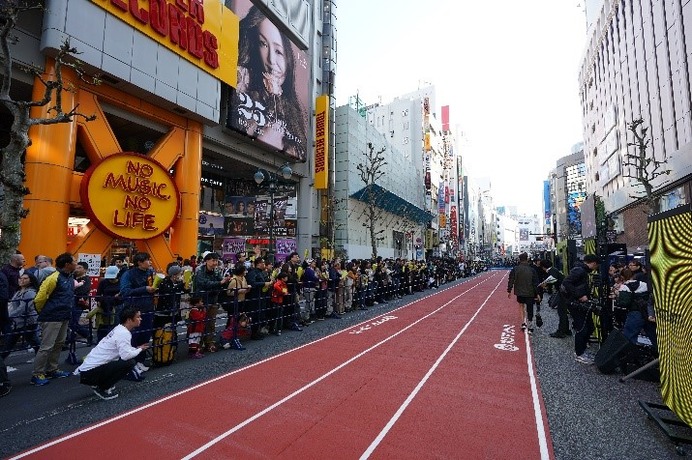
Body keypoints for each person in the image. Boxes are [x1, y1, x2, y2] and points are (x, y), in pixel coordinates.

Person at [230, 5, 308, 161]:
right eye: (263, 44)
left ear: (290, 58)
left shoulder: (293, 111)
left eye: (279, 51)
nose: (271, 60)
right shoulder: (242, 79)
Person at [75, 306, 149, 400]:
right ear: (129, 320)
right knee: (129, 363)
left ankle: (98, 382)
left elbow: (125, 350)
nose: (140, 319)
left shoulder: (119, 328)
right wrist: (139, 350)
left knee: (123, 360)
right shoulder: (124, 333)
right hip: (89, 373)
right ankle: (102, 387)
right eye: (138, 317)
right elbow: (126, 356)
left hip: (86, 371)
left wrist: (135, 349)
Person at [31, 253, 77, 386]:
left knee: (59, 344)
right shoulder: (53, 278)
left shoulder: (69, 277)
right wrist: (44, 312)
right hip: (52, 317)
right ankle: (37, 373)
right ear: (67, 264)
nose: (76, 263)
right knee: (46, 346)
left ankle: (52, 369)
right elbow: (39, 298)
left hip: (64, 315)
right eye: (74, 261)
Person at [119, 252, 157, 375]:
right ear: (139, 262)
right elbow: (125, 291)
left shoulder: (150, 272)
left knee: (145, 335)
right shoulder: (128, 274)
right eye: (147, 260)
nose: (149, 262)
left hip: (148, 308)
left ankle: (140, 360)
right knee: (133, 336)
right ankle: (131, 364)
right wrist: (144, 289)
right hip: (133, 310)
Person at [561, 254, 601, 364]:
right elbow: (566, 282)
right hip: (576, 304)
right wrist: (579, 295)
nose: (596, 268)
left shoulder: (581, 270)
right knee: (582, 328)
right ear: (593, 263)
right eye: (596, 265)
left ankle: (582, 350)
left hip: (578, 303)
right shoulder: (580, 271)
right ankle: (579, 353)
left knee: (589, 327)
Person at [193, 252, 231, 353]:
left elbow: (220, 281)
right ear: (207, 261)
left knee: (211, 323)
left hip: (213, 299)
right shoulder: (199, 270)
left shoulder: (216, 271)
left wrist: (225, 280)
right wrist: (219, 283)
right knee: (200, 323)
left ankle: (209, 343)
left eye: (216, 261)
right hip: (201, 300)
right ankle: (198, 344)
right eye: (213, 261)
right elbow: (203, 283)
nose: (215, 263)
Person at [617, 268, 657, 352]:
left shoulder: (624, 287)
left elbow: (624, 303)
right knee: (653, 335)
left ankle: (629, 354)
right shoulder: (644, 284)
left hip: (635, 313)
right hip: (648, 313)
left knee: (629, 336)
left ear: (622, 277)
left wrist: (618, 296)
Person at [2, 273, 41, 358]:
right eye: (20, 278)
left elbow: (23, 308)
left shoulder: (30, 293)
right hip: (19, 321)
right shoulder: (19, 291)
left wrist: (9, 316)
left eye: (25, 278)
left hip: (27, 321)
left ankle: (43, 359)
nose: (21, 280)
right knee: (33, 341)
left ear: (31, 281)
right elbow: (13, 306)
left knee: (10, 343)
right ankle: (43, 359)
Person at [507, 253, 540, 333]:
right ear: (527, 259)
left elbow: (511, 280)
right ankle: (530, 325)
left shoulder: (515, 269)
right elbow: (535, 282)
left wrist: (509, 290)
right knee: (530, 308)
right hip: (530, 292)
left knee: (521, 306)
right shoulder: (532, 269)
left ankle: (523, 323)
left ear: (519, 259)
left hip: (519, 291)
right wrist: (538, 293)